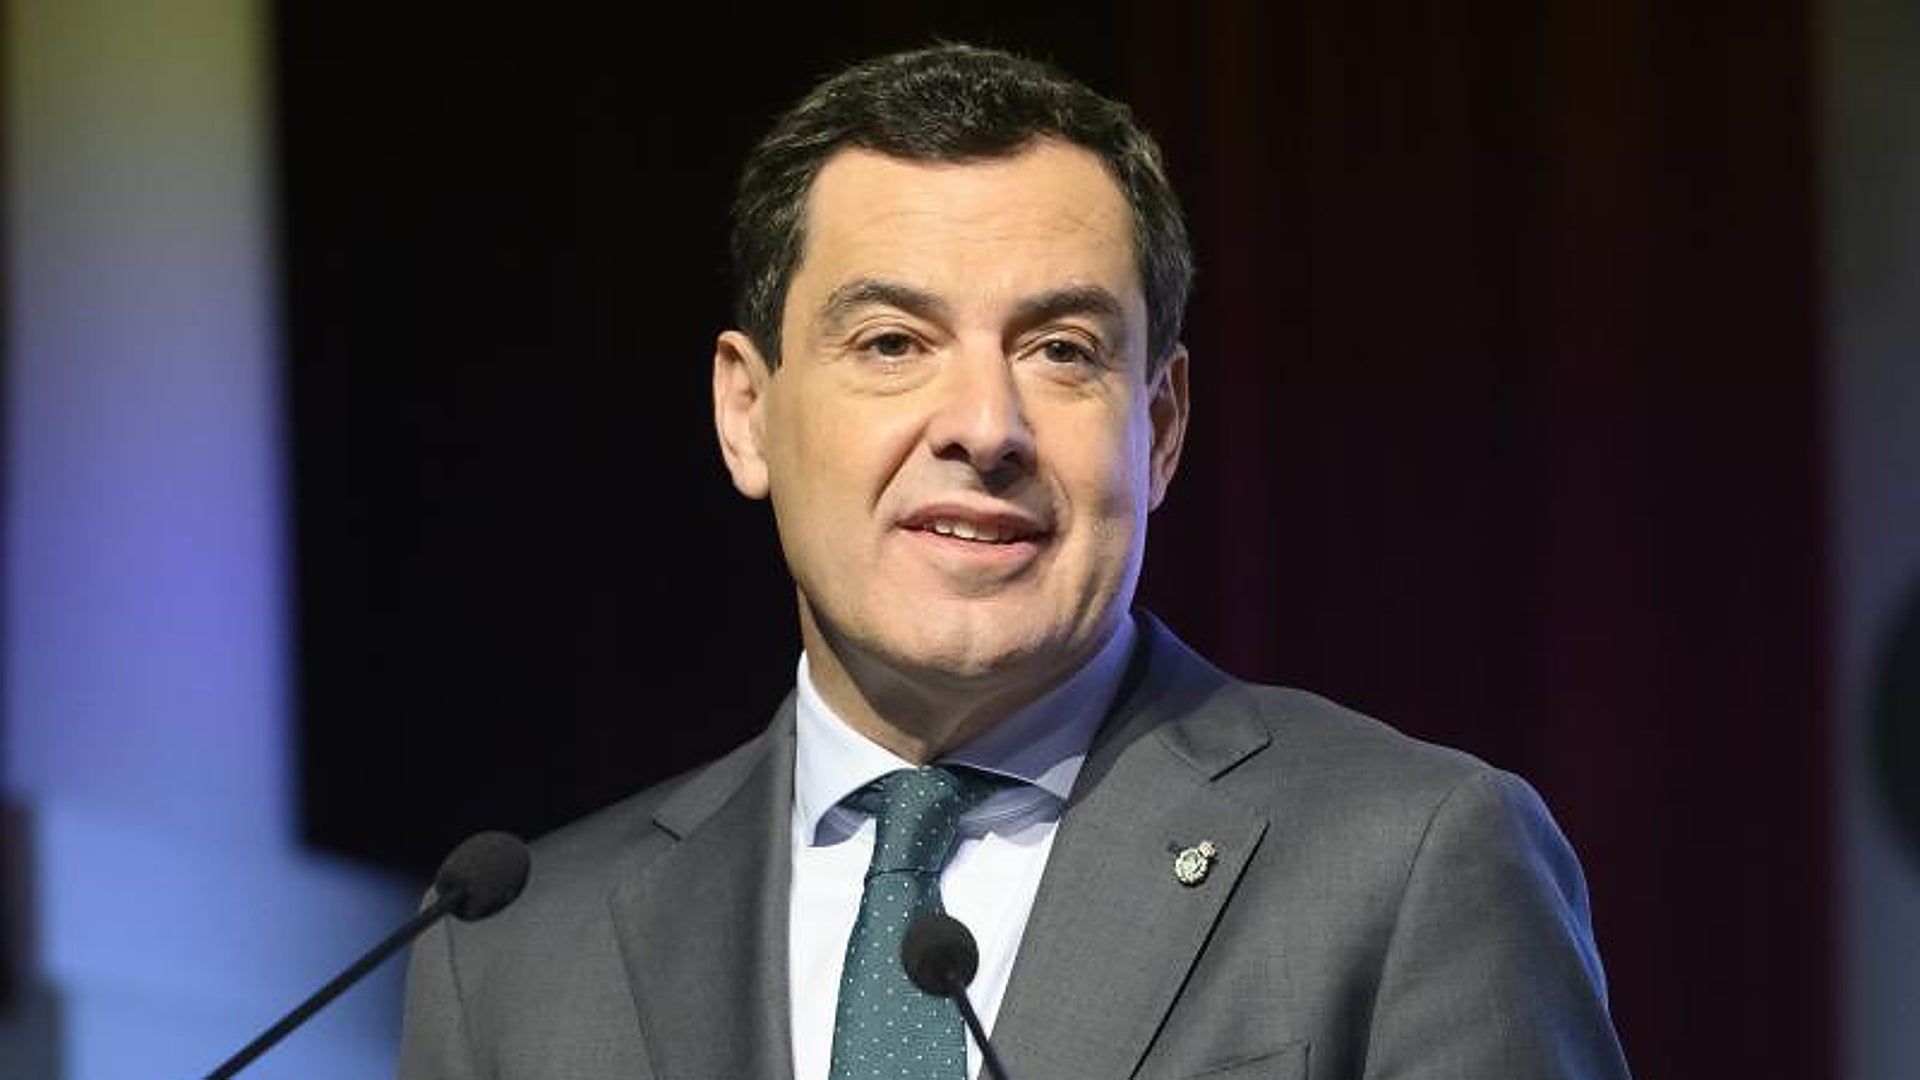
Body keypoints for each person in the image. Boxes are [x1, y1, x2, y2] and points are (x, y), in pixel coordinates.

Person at [397, 43, 1632, 1080]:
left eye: (1061, 351)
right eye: (892, 343)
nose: (985, 427)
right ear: (747, 413)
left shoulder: (1410, 861)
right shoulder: (512, 951)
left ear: (1159, 428)